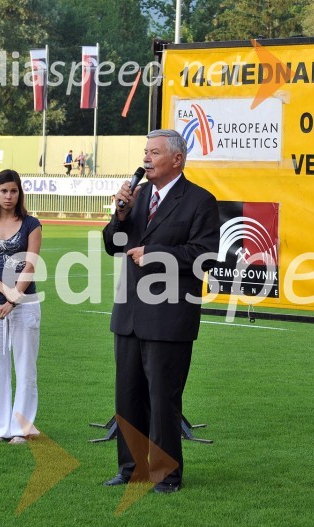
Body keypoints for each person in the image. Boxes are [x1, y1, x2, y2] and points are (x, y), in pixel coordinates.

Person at [102, 129, 219, 494]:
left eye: (154, 152)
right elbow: (113, 245)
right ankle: (131, 469)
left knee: (163, 401)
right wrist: (120, 215)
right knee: (128, 398)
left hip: (169, 317)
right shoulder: (136, 197)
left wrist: (155, 254)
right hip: (130, 316)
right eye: (145, 152)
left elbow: (204, 255)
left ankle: (166, 474)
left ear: (177, 159)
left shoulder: (199, 200)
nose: (146, 159)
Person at [0, 169, 42, 445]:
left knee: (25, 367)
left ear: (19, 193)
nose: (8, 196)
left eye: (13, 191)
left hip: (25, 303)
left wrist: (15, 299)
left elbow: (30, 265)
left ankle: (21, 429)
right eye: (4, 191)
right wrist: (5, 294)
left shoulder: (31, 224)